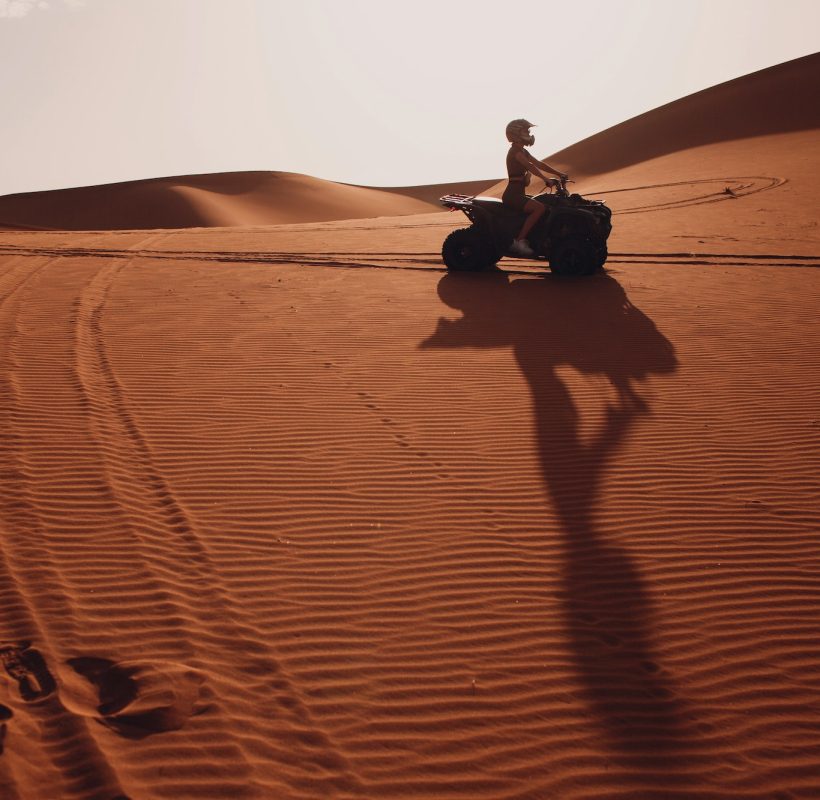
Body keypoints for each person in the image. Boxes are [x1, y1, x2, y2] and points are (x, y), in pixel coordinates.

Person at [503, 119, 568, 257]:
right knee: (539, 208)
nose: (529, 133)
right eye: (526, 131)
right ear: (516, 133)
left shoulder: (523, 151)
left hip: (518, 193)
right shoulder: (515, 151)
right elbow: (530, 166)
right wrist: (545, 179)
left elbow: (539, 163)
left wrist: (558, 173)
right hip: (512, 196)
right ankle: (519, 241)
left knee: (545, 204)